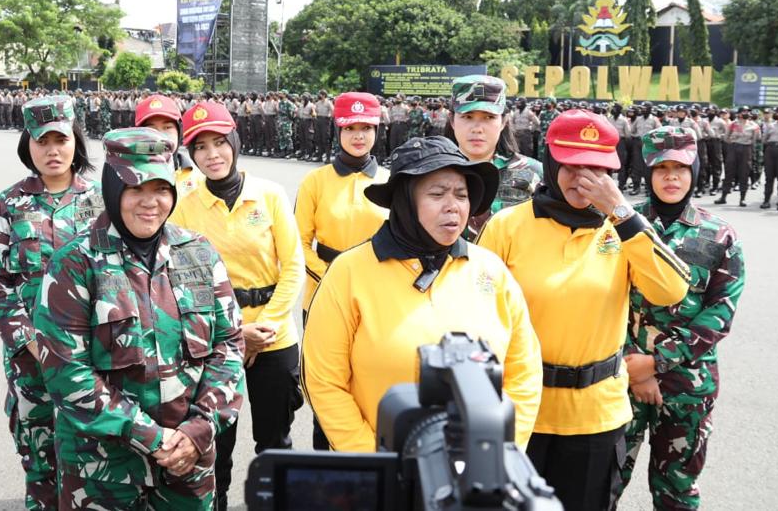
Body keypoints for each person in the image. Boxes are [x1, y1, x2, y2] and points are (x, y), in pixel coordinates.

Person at [478, 109, 691, 511]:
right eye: (572, 166)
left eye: (596, 169)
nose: (584, 179)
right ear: (551, 163)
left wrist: (623, 214)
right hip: (520, 410)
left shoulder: (623, 229)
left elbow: (671, 290)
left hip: (596, 415)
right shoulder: (507, 226)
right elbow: (476, 308)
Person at [33, 128, 245, 510]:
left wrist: (199, 429)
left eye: (161, 189)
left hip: (188, 464)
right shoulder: (74, 263)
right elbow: (67, 372)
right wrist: (152, 438)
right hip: (102, 470)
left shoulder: (198, 253)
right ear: (113, 190)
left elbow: (228, 346)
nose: (151, 202)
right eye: (135, 189)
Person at [303, 135, 543, 452]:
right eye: (437, 194)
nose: (453, 206)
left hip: (478, 464)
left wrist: (500, 449)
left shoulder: (490, 270)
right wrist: (374, 460)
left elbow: (524, 371)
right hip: (381, 465)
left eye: (461, 195)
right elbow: (323, 381)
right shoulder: (349, 273)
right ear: (405, 200)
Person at [170, 100, 305, 511]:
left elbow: (293, 266)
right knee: (215, 442)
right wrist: (233, 334)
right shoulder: (185, 204)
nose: (212, 155)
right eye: (200, 147)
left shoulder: (270, 194)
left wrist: (268, 326)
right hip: (215, 340)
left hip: (273, 334)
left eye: (219, 143)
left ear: (235, 142)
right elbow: (182, 279)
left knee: (274, 440)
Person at [0, 95, 103, 510]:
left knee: (95, 462)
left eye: (60, 140)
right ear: (27, 145)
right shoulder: (8, 203)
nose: (52, 150)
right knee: (40, 461)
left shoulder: (103, 200)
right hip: (32, 362)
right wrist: (28, 339)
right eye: (42, 141)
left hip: (91, 357)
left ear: (76, 141)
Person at [616, 127, 745, 510]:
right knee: (603, 482)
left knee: (676, 491)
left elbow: (720, 313)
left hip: (688, 385)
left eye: (680, 168)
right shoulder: (620, 227)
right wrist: (635, 367)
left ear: (694, 172)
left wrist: (656, 362)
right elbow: (603, 300)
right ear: (648, 171)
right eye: (661, 168)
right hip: (621, 377)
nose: (671, 177)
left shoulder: (719, 235)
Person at [294, 92, 390, 450]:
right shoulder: (315, 182)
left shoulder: (391, 180)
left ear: (377, 130)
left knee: (372, 385)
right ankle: (326, 466)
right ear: (338, 130)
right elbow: (298, 243)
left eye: (366, 127)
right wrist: (331, 278)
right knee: (326, 387)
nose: (358, 135)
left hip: (377, 297)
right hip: (323, 294)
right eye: (350, 128)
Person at [442, 75, 542, 240]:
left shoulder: (533, 172)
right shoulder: (433, 173)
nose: (477, 128)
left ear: (503, 121)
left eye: (489, 117)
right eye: (467, 117)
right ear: (452, 120)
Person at [136, 93, 202, 198]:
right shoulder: (128, 176)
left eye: (167, 127)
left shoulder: (196, 178)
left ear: (179, 132)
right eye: (151, 129)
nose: (160, 136)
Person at [715, 105, 760, 206]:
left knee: (744, 173)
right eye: (744, 112)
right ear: (739, 114)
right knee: (729, 172)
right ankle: (723, 196)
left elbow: (756, 139)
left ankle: (742, 199)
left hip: (746, 150)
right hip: (733, 148)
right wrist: (734, 142)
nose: (746, 113)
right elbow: (726, 138)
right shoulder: (733, 124)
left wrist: (747, 144)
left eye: (747, 112)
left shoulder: (754, 125)